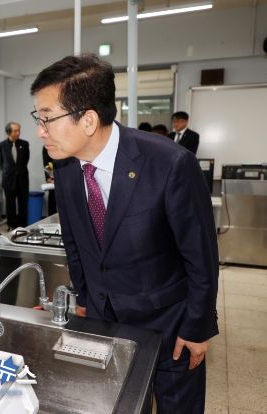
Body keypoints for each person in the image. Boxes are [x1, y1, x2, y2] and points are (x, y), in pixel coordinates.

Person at [30, 54, 218, 413]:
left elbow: (202, 257)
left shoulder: (169, 164)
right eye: (38, 118)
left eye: (47, 118)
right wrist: (84, 297)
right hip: (104, 322)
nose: (40, 130)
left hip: (168, 324)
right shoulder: (67, 168)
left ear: (88, 120)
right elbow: (75, 242)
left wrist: (198, 327)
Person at [0, 122, 30, 229]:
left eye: (19, 130)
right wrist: (8, 171)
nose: (18, 133)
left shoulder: (24, 144)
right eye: (15, 131)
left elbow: (25, 160)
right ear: (9, 132)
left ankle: (23, 225)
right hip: (8, 179)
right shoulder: (2, 145)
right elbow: (0, 162)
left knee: (23, 203)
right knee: (10, 204)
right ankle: (11, 225)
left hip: (22, 179)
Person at [42, 147, 57, 216]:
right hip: (53, 177)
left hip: (67, 177)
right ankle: (51, 219)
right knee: (52, 199)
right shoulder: (46, 147)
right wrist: (49, 177)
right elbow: (47, 163)